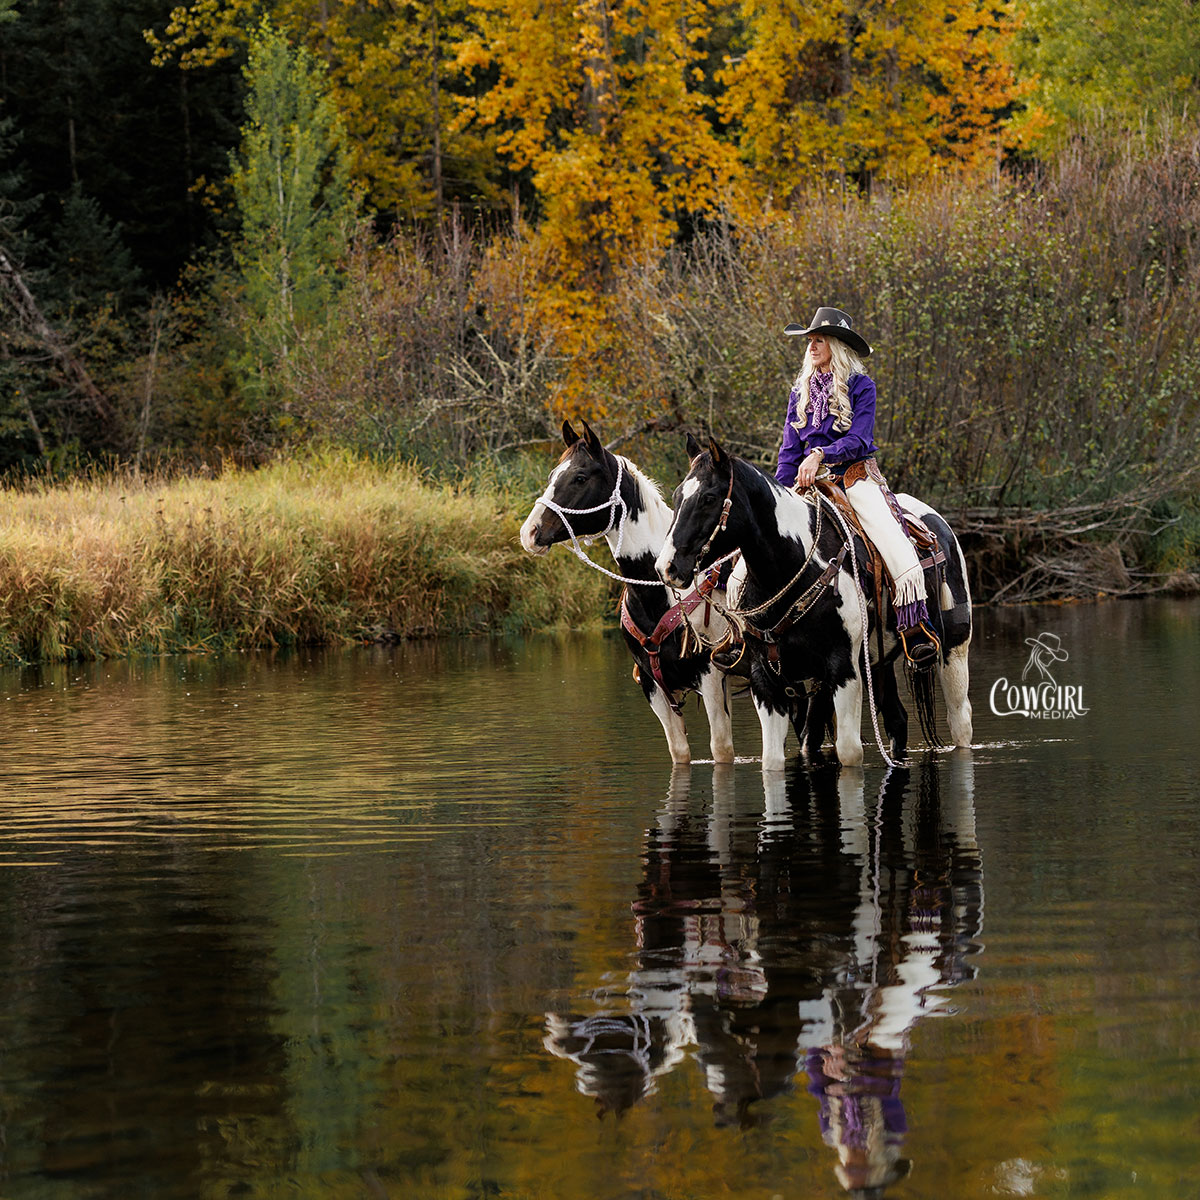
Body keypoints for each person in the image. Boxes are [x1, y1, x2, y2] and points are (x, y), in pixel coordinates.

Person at [776, 306, 940, 667]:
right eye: (809, 341)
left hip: (854, 477)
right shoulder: (798, 393)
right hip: (806, 483)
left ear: (837, 344)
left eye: (819, 339)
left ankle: (915, 625)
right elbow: (789, 453)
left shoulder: (861, 386)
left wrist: (820, 453)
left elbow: (860, 439)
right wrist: (778, 493)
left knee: (891, 538)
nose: (812, 345)